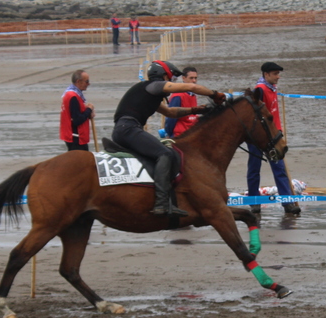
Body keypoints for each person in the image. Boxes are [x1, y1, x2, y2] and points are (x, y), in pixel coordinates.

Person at [111, 60, 224, 217]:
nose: (172, 81)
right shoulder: (154, 86)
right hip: (128, 128)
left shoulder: (149, 94)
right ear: (163, 75)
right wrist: (215, 94)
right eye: (171, 78)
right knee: (165, 153)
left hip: (124, 129)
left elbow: (170, 112)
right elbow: (192, 87)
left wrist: (195, 110)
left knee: (162, 153)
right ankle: (162, 203)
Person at [247, 62, 300, 216]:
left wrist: (279, 131)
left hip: (273, 136)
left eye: (278, 73)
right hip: (258, 137)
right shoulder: (260, 90)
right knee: (254, 169)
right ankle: (254, 202)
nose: (278, 77)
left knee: (279, 169)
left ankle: (288, 202)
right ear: (266, 75)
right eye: (275, 74)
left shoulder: (272, 88)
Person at [60, 69, 94, 151]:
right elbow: (77, 120)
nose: (88, 84)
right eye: (86, 81)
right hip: (76, 137)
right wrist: (89, 110)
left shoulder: (70, 94)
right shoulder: (73, 97)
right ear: (79, 81)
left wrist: (87, 110)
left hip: (72, 136)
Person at [164, 66, 202, 138]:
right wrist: (170, 135)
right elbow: (170, 118)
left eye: (195, 78)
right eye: (191, 78)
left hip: (191, 134)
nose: (194, 80)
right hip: (180, 136)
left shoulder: (193, 95)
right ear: (183, 78)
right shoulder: (178, 96)